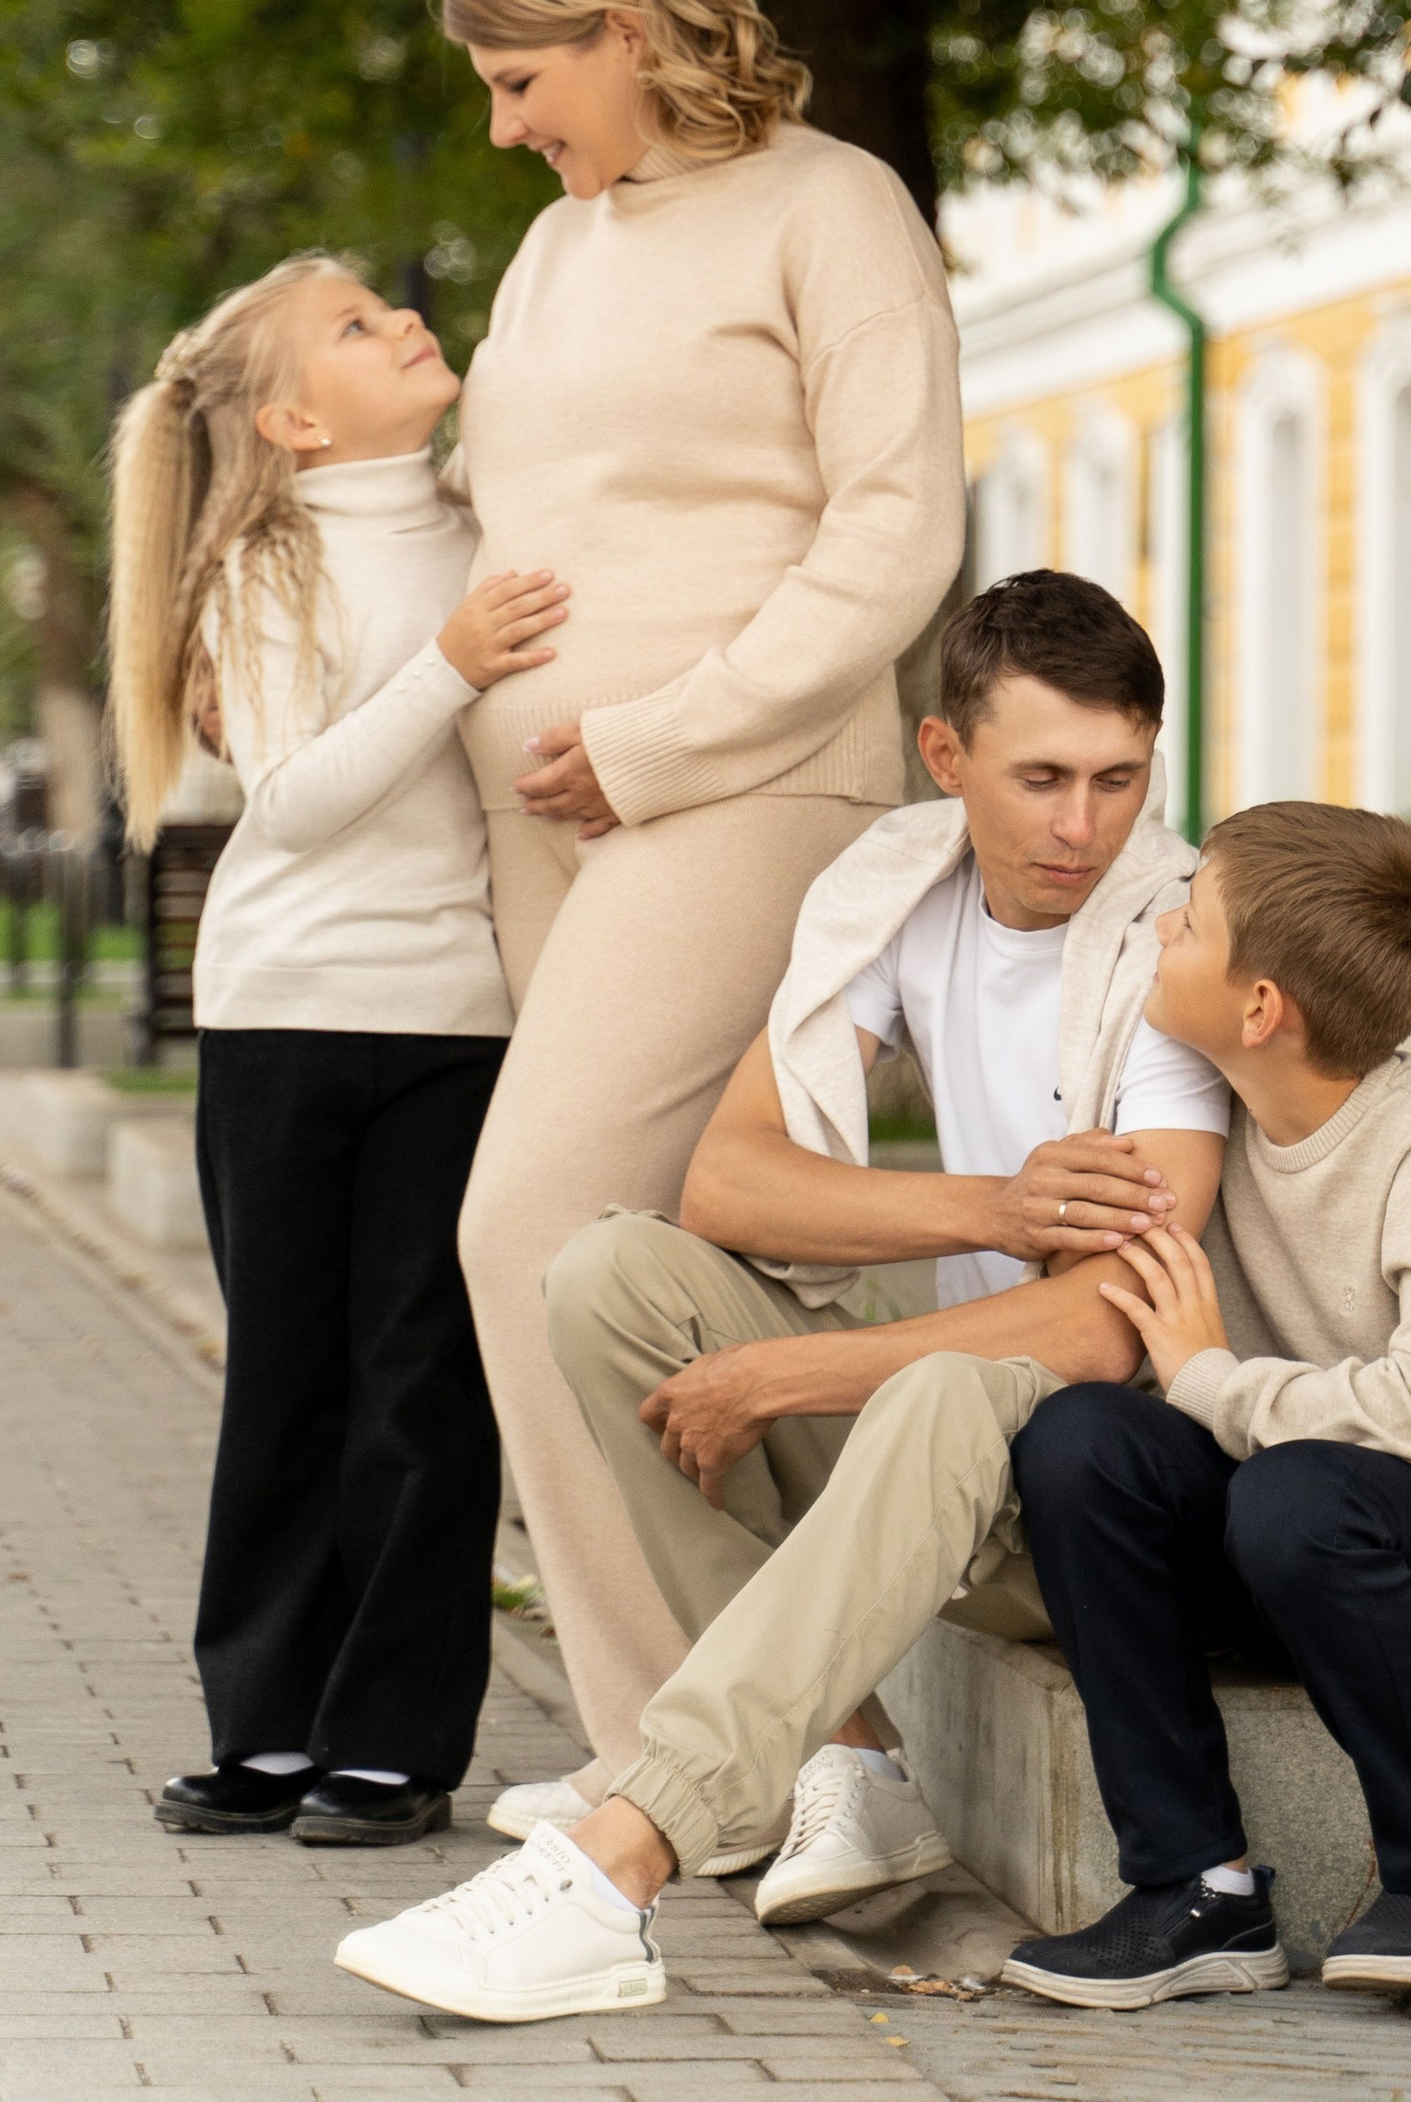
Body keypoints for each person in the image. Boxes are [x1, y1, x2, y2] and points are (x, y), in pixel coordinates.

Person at [333, 571, 1229, 2027]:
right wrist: (993, 1207)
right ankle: (852, 1764)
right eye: (1043, 779)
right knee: (609, 1275)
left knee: (937, 1392)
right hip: (956, 1441)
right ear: (945, 758)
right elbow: (731, 1186)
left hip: (1106, 1498)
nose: (1084, 826)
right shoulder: (901, 890)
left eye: (1118, 779)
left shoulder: (1171, 948)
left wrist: (790, 1376)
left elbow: (1105, 1323)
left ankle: (613, 1872)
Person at [436, 0, 966, 1828]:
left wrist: (652, 741)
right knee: (654, 1276)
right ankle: (783, 1739)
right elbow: (509, 509)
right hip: (548, 822)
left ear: (626, 28)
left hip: (740, 789)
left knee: (520, 1226)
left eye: (521, 81)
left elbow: (895, 532)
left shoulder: (835, 208)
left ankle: (684, 1759)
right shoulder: (552, 249)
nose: (506, 130)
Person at [999, 799, 1411, 2011]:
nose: (1158, 926)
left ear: (1261, 1008)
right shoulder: (1210, 1129)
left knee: (1296, 1493)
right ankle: (1195, 1891)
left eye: (1189, 920)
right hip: (1308, 1527)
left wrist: (1211, 1381)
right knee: (1081, 1442)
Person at [106, 254, 567, 1847]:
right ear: (296, 421)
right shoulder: (269, 562)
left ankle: (391, 1741)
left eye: (386, 303)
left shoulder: (486, 515)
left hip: (455, 1019)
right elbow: (295, 797)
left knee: (423, 1389)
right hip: (283, 1012)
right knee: (288, 1386)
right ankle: (265, 1729)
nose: (402, 320)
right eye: (356, 328)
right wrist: (453, 660)